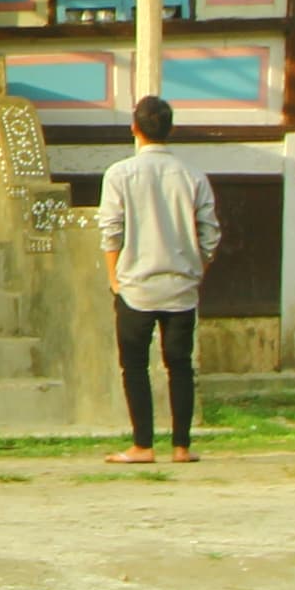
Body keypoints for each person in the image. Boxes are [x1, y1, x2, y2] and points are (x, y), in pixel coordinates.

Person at [99, 93, 219, 465]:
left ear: (134, 128)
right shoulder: (193, 176)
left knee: (134, 365)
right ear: (171, 130)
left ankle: (142, 445)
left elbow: (111, 232)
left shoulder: (119, 174)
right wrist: (197, 274)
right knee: (180, 366)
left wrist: (114, 279)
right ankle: (181, 447)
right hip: (181, 287)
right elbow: (210, 236)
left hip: (135, 286)